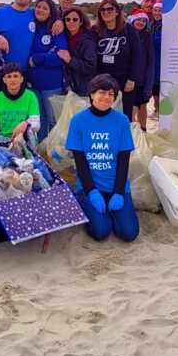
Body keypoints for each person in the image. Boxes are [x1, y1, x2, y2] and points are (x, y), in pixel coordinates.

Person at [65, 73, 138, 242]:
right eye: (102, 92)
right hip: (91, 185)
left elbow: (123, 158)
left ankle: (115, 210)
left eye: (111, 94)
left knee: (129, 234)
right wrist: (92, 192)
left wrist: (119, 192)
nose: (106, 97)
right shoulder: (78, 121)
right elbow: (80, 161)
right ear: (92, 94)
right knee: (101, 232)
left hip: (115, 185)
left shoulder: (122, 120)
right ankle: (89, 206)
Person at [93, 0, 144, 120]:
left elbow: (137, 55)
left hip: (125, 81)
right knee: (103, 113)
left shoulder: (128, 29)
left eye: (110, 9)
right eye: (103, 10)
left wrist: (132, 79)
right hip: (103, 80)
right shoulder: (95, 30)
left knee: (125, 115)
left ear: (117, 12)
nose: (106, 12)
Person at [27, 0, 68, 139]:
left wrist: (39, 58)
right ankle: (42, 151)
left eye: (45, 8)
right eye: (38, 6)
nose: (40, 10)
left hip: (51, 84)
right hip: (32, 84)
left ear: (51, 13)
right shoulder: (31, 28)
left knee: (52, 120)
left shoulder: (55, 29)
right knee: (39, 121)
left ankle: (55, 153)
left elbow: (60, 57)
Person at [0, 63, 40, 147]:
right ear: (4, 80)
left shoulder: (30, 96)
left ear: (21, 79)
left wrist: (26, 123)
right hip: (3, 141)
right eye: (9, 76)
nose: (12, 80)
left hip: (25, 141)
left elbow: (36, 125)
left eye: (16, 76)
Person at [60, 5, 98, 97]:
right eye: (68, 19)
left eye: (75, 19)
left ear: (81, 22)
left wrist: (70, 60)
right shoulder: (63, 37)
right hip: (68, 85)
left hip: (84, 86)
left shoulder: (88, 40)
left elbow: (90, 66)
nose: (71, 22)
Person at [129, 9, 155, 128]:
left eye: (144, 21)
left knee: (140, 106)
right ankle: (132, 133)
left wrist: (148, 85)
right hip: (127, 78)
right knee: (131, 109)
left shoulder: (148, 38)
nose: (140, 22)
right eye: (138, 19)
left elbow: (151, 62)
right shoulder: (126, 34)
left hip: (140, 80)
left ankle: (143, 130)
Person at [150, 0, 163, 117]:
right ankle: (156, 109)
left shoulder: (161, 25)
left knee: (157, 85)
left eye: (160, 10)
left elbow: (158, 42)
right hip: (155, 58)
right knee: (155, 85)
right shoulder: (154, 24)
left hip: (159, 59)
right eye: (155, 10)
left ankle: (158, 110)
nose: (157, 13)